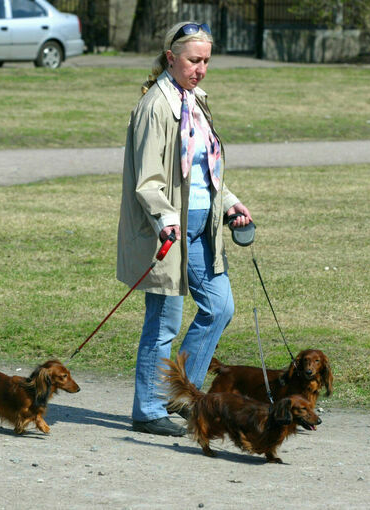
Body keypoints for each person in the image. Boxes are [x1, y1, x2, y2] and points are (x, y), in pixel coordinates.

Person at [116, 21, 252, 436]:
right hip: (167, 228)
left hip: (202, 225)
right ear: (171, 58)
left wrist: (229, 203)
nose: (202, 69)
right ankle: (148, 408)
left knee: (220, 307)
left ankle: (178, 395)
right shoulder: (155, 106)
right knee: (163, 323)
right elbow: (149, 180)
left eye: (207, 61)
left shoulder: (196, 99)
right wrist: (166, 219)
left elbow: (205, 171)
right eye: (194, 60)